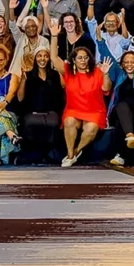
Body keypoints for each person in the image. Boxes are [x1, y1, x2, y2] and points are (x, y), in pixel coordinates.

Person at [50, 26, 112, 168]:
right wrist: (54, 37)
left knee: (90, 129)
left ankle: (77, 152)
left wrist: (106, 73)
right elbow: (54, 57)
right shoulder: (68, 71)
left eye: (85, 57)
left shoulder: (97, 71)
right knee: (69, 121)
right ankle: (70, 154)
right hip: (74, 110)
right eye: (79, 58)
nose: (83, 60)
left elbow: (106, 88)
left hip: (94, 111)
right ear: (74, 60)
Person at [17, 49, 65, 165]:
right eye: (39, 56)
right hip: (32, 112)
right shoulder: (28, 75)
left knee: (53, 123)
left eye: (45, 56)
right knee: (31, 124)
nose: (42, 59)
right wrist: (23, 80)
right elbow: (19, 98)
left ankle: (43, 155)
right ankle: (37, 155)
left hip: (51, 112)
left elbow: (61, 95)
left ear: (49, 59)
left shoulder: (55, 75)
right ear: (35, 59)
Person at [9, 0, 50, 75]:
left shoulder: (44, 41)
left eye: (33, 26)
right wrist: (11, 9)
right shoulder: (20, 37)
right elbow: (12, 24)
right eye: (27, 27)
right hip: (19, 74)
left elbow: (48, 59)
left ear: (37, 27)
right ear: (24, 29)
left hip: (38, 74)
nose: (31, 29)